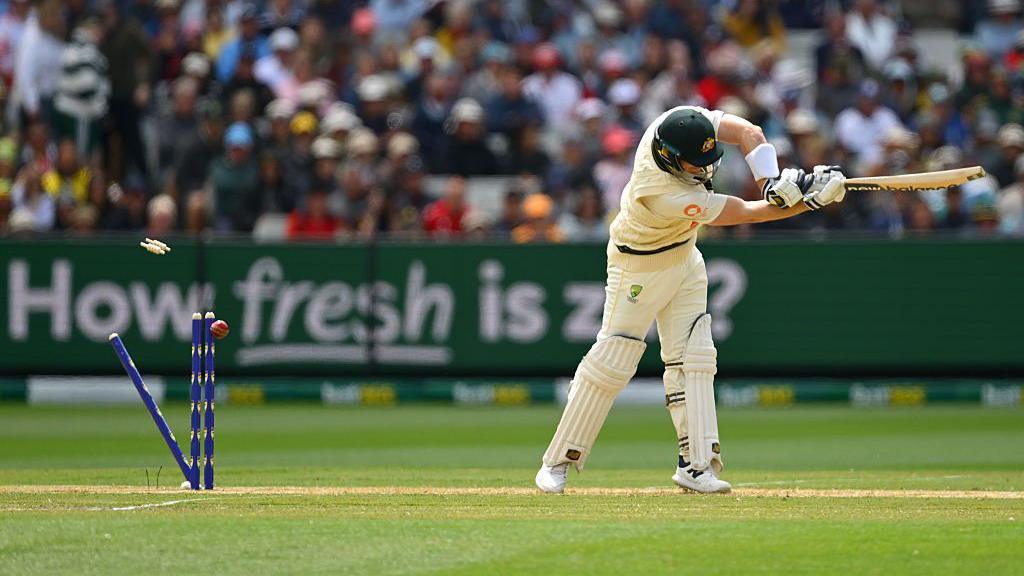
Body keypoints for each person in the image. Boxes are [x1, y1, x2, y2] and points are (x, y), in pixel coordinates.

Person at [535, 106, 847, 494]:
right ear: (670, 158)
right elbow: (747, 213)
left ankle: (696, 466)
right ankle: (557, 462)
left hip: (684, 256)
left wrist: (770, 181)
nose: (705, 169)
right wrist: (811, 201)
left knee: (695, 356)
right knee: (614, 358)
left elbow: (749, 132)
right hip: (639, 268)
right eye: (694, 163)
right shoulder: (663, 191)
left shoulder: (678, 122)